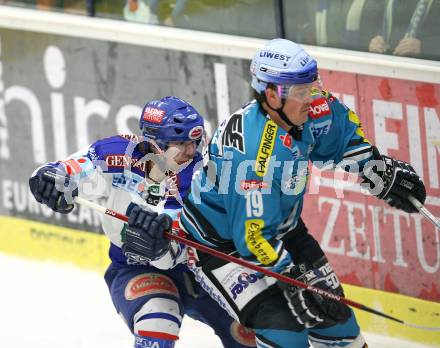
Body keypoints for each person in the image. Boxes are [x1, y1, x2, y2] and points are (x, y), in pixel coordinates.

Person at [126, 39, 427, 347]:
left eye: (312, 85)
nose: (312, 97)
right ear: (271, 95)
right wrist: (296, 282)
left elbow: (341, 139)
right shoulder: (252, 152)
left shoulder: (313, 107)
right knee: (286, 333)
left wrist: (377, 170)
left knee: (339, 325)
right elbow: (253, 239)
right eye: (301, 92)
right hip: (222, 249)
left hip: (284, 229)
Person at [29, 96, 256, 348]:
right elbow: (72, 170)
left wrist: (161, 244)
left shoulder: (204, 175)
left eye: (194, 142)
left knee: (250, 334)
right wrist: (50, 178)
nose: (191, 151)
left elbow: (178, 250)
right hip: (134, 267)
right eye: (180, 143)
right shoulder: (119, 154)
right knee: (158, 318)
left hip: (203, 269)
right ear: (153, 143)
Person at [368, 0, 440, 60]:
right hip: (385, 65)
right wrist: (374, 43)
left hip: (422, 70)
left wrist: (424, 47)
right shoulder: (383, 3)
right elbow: (365, 34)